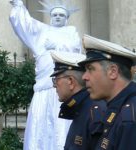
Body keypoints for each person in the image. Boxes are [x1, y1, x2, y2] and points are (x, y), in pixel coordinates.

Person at [9, 0, 82, 150]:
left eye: (61, 15)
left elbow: (77, 52)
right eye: (54, 14)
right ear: (50, 17)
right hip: (43, 90)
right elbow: (26, 25)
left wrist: (56, 45)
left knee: (62, 130)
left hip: (64, 92)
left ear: (66, 18)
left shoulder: (71, 32)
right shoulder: (42, 31)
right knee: (40, 131)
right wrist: (18, 5)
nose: (57, 17)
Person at [79, 34, 136, 150]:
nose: (84, 77)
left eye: (90, 69)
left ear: (113, 72)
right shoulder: (116, 108)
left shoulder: (130, 119)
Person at [50, 51, 106, 150]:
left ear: (70, 81)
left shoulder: (94, 114)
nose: (54, 85)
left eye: (56, 79)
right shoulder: (80, 108)